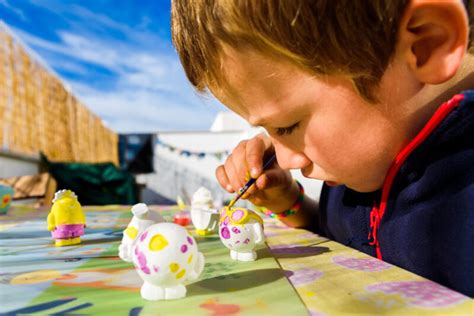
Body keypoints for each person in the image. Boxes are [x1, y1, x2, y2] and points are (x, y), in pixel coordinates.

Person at [171, 0, 474, 296]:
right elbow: (341, 234)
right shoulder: (365, 162)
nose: (285, 159)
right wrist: (289, 203)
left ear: (426, 44)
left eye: (288, 125)